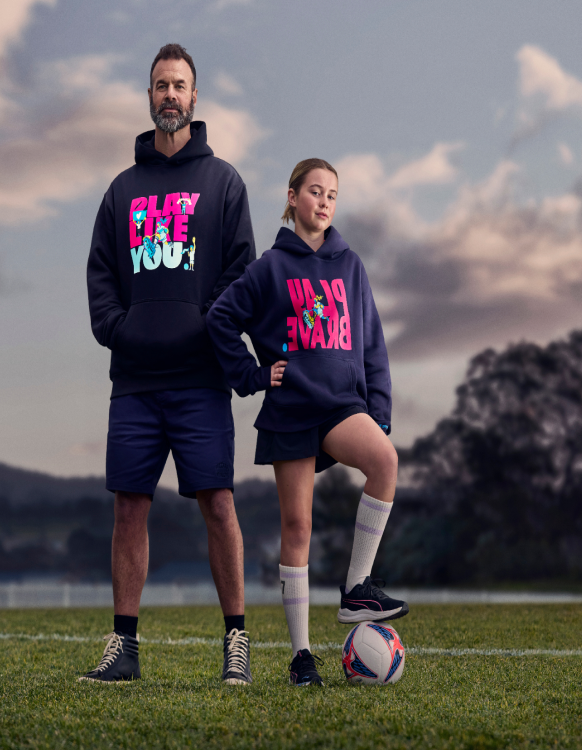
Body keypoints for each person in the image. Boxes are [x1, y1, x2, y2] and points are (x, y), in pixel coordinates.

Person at [83, 43, 256, 685]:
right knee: (130, 507)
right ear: (148, 94)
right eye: (160, 85)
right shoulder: (120, 191)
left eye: (179, 85)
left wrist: (206, 328)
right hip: (135, 382)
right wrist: (121, 330)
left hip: (201, 380)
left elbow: (242, 274)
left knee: (217, 502)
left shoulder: (224, 183)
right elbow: (101, 275)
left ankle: (235, 642)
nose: (169, 95)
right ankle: (123, 648)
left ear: (194, 96)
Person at [206, 158, 406, 687]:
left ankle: (357, 586)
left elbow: (372, 344)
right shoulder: (269, 267)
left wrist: (377, 410)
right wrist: (251, 375)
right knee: (298, 529)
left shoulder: (350, 264)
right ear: (292, 198)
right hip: (292, 407)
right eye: (314, 192)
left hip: (342, 405)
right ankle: (301, 657)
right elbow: (220, 319)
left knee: (384, 461)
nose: (324, 202)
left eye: (333, 195)